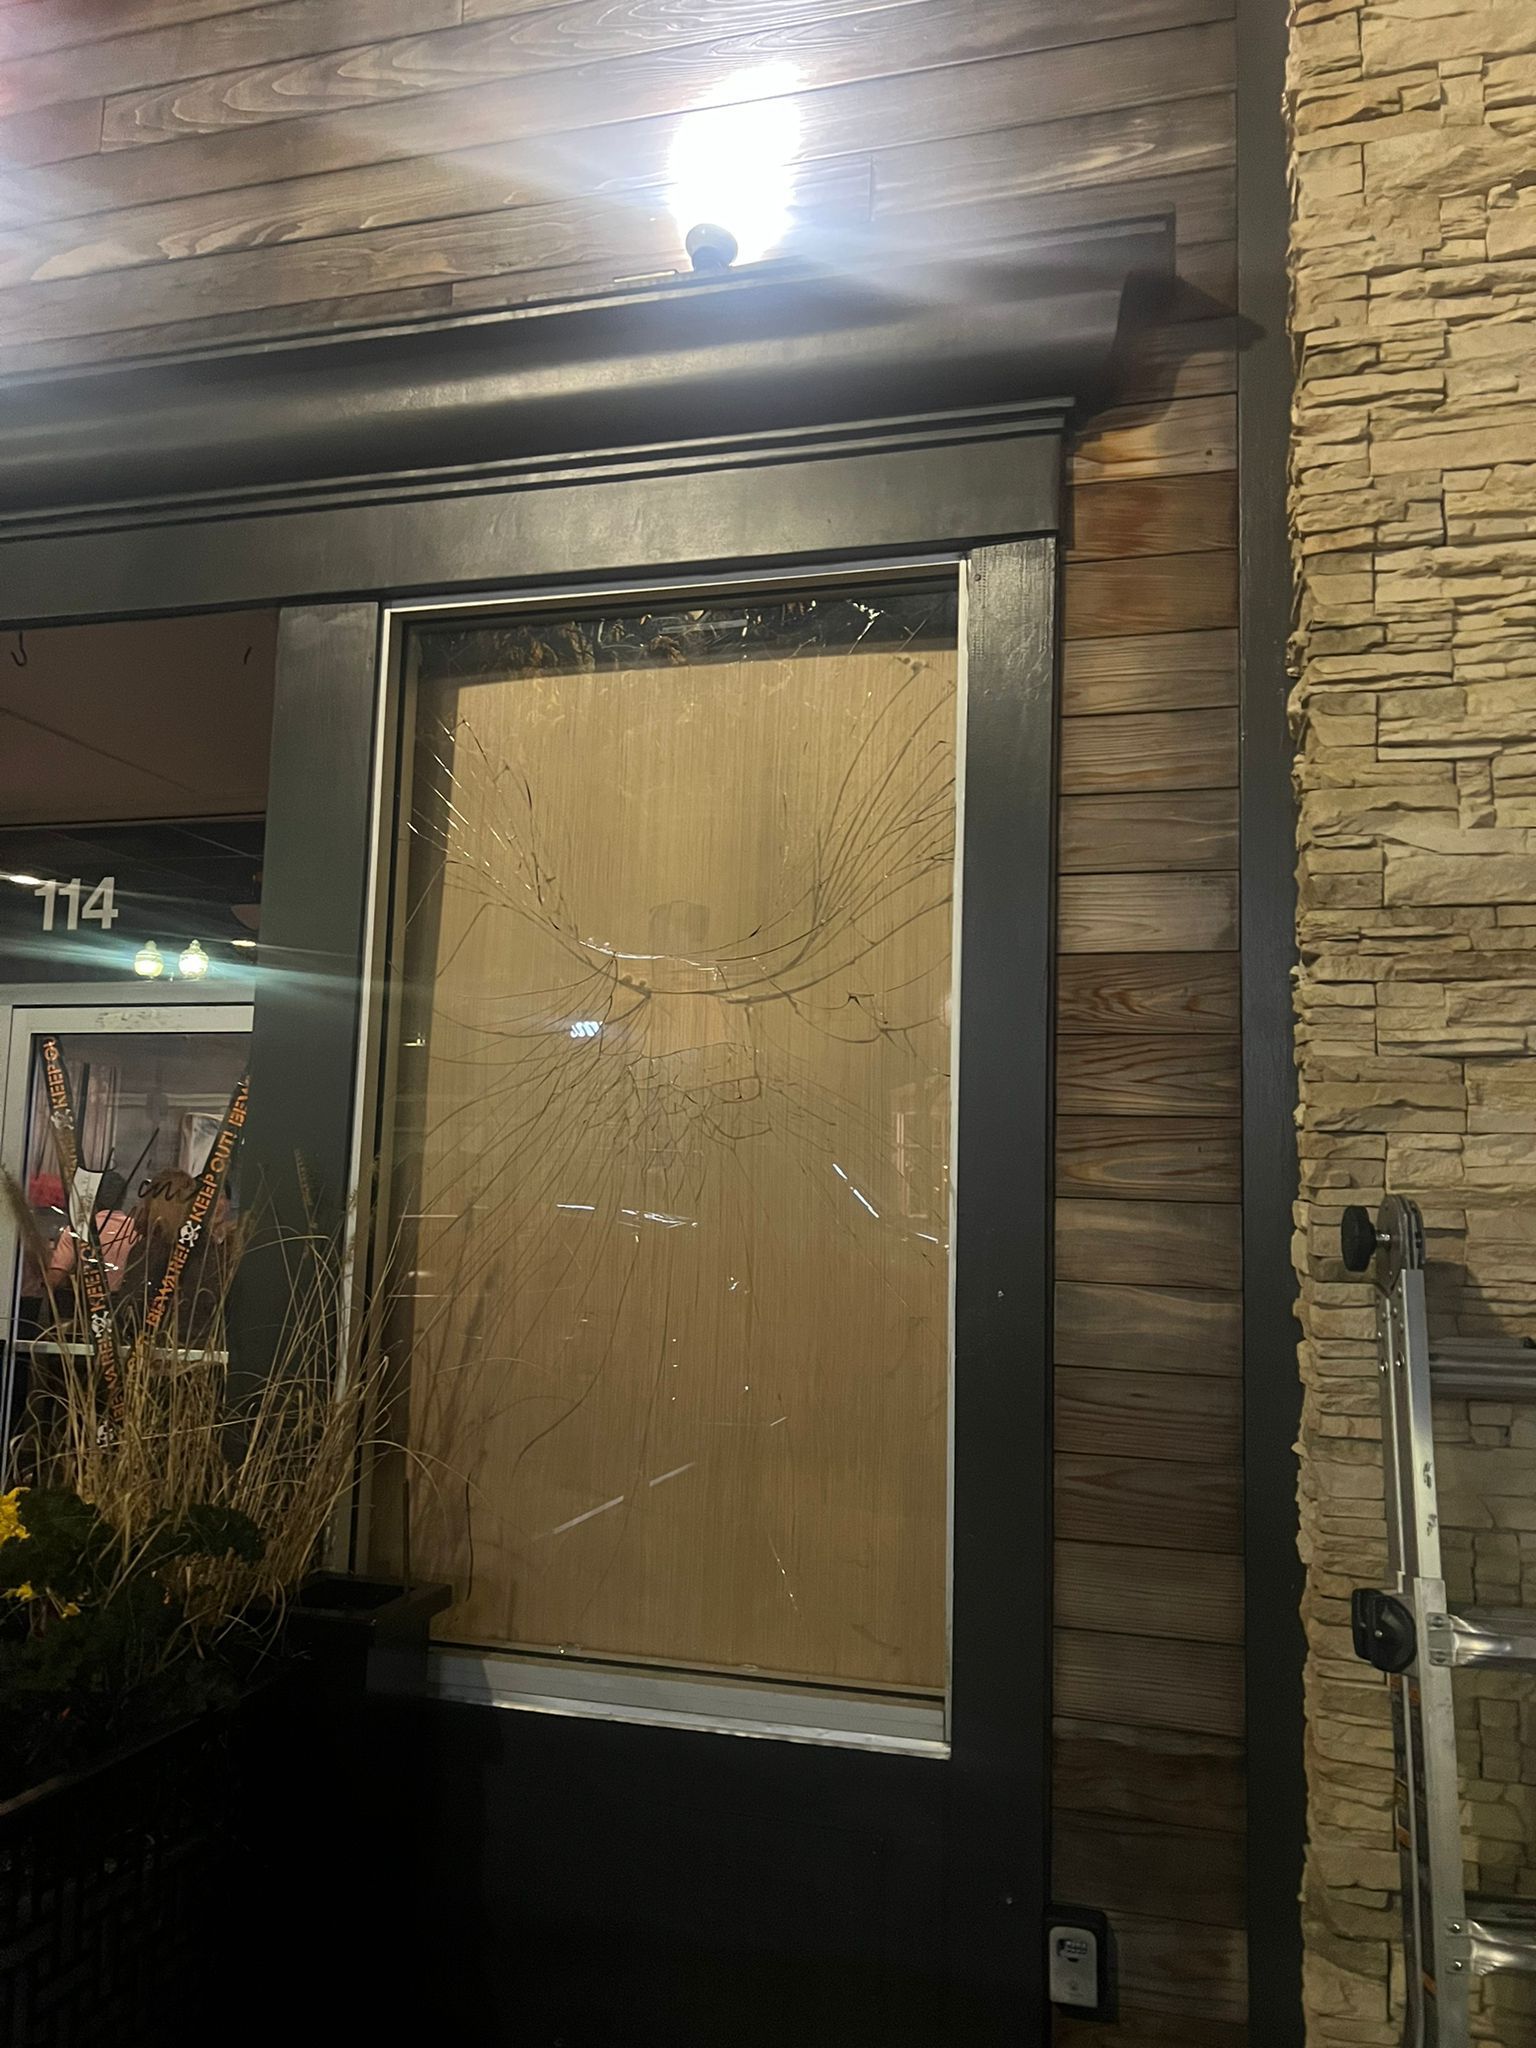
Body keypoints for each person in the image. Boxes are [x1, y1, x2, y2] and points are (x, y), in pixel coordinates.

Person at [44, 1169, 137, 1294]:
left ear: (92, 1195)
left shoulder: (78, 1230)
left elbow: (55, 1278)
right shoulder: (137, 1230)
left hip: (85, 1307)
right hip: (126, 1306)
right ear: (123, 1197)